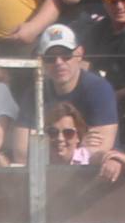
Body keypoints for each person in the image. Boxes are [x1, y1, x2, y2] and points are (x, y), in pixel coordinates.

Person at [11, 24, 119, 160]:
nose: (58, 62)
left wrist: (46, 144)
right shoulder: (34, 93)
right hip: (48, 174)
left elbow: (100, 149)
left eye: (66, 55)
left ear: (79, 54)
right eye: (50, 58)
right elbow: (21, 153)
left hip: (94, 175)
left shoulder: (99, 89)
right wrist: (79, 144)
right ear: (42, 60)